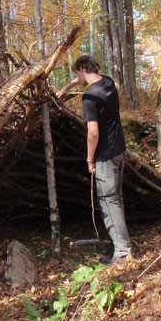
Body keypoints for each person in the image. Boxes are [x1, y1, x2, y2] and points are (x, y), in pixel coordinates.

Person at [57, 55, 131, 264]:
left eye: (76, 73)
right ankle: (117, 242)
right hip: (118, 151)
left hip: (105, 156)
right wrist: (69, 86)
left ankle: (123, 253)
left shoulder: (90, 97)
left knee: (108, 202)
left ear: (81, 68)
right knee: (116, 198)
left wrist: (90, 160)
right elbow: (85, 80)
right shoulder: (108, 82)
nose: (76, 78)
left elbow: (93, 133)